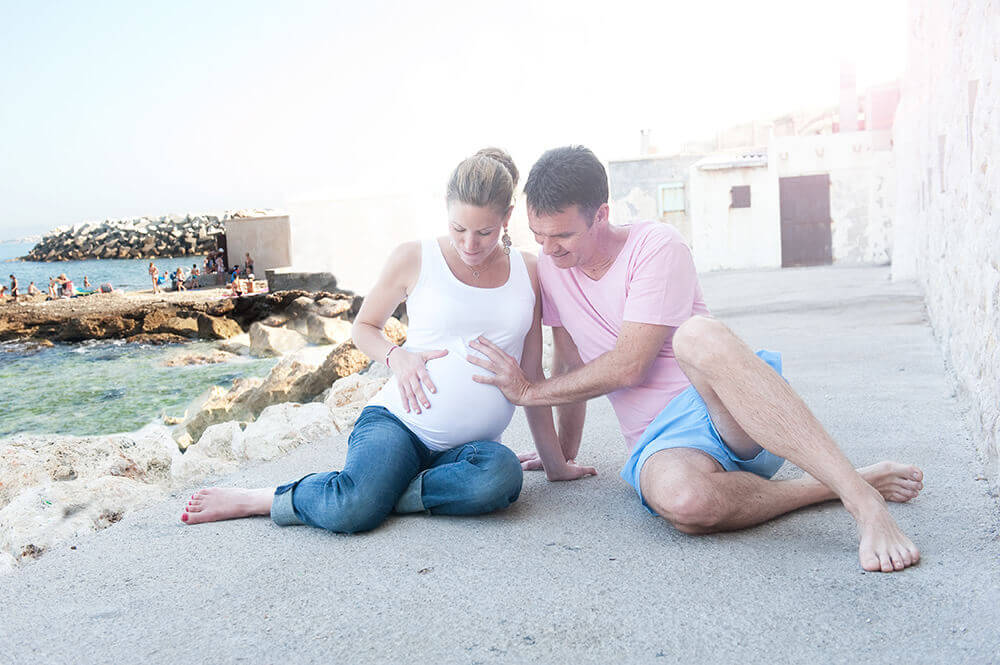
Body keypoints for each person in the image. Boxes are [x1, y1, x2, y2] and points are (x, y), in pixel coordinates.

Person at [468, 145, 923, 573]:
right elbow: (568, 363)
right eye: (539, 236)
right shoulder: (552, 268)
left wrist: (527, 392)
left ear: (601, 215)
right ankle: (843, 481)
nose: (549, 249)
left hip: (727, 411)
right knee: (686, 505)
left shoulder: (657, 246)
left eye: (563, 235)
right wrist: (563, 455)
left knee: (697, 335)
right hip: (661, 444)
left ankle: (863, 503)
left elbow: (630, 365)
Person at [180, 148, 594, 530]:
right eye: (458, 228)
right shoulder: (415, 257)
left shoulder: (530, 271)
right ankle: (266, 498)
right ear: (445, 211)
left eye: (484, 232)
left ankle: (383, 493)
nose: (470, 244)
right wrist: (398, 357)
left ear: (506, 217)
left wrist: (556, 463)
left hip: (468, 451)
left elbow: (531, 376)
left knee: (501, 478)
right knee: (353, 512)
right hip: (398, 424)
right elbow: (364, 327)